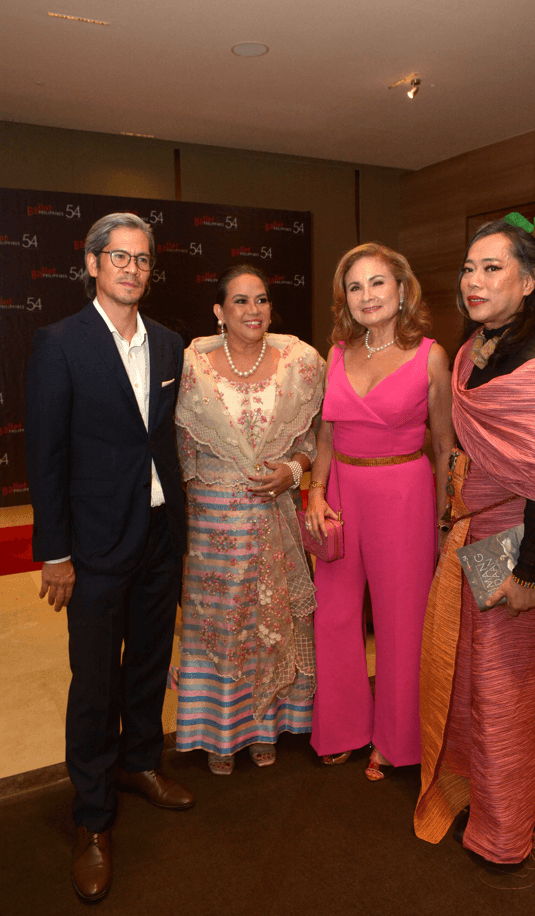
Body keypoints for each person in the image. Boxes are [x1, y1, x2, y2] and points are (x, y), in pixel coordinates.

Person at [413, 217, 535, 865]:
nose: (473, 280)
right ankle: (477, 790)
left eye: (492, 268)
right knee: (472, 671)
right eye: (469, 267)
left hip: (524, 538)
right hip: (481, 527)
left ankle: (503, 829)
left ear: (527, 283)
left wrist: (529, 575)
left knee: (508, 687)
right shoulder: (476, 347)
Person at [25, 213, 193, 901]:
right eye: (118, 257)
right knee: (95, 683)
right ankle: (92, 817)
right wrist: (55, 553)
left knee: (149, 661)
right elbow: (45, 455)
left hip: (158, 533)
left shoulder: (170, 343)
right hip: (92, 545)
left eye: (142, 258)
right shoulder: (59, 343)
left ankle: (140, 761)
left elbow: (162, 440)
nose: (132, 268)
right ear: (92, 264)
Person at [305, 242, 455, 780]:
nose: (366, 295)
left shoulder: (431, 356)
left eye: (377, 283)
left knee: (401, 621)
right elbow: (326, 434)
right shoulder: (337, 353)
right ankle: (342, 726)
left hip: (404, 494)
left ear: (401, 289)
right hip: (342, 492)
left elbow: (445, 447)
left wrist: (445, 521)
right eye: (355, 286)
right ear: (344, 298)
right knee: (334, 615)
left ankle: (396, 738)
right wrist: (316, 491)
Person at [173, 264, 324, 775]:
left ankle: (266, 728)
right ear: (219, 311)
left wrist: (292, 471)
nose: (253, 310)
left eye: (261, 299)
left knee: (271, 622)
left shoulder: (301, 363)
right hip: (212, 526)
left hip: (274, 517)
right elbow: (180, 448)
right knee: (221, 626)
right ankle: (219, 734)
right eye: (240, 301)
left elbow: (313, 440)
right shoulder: (190, 366)